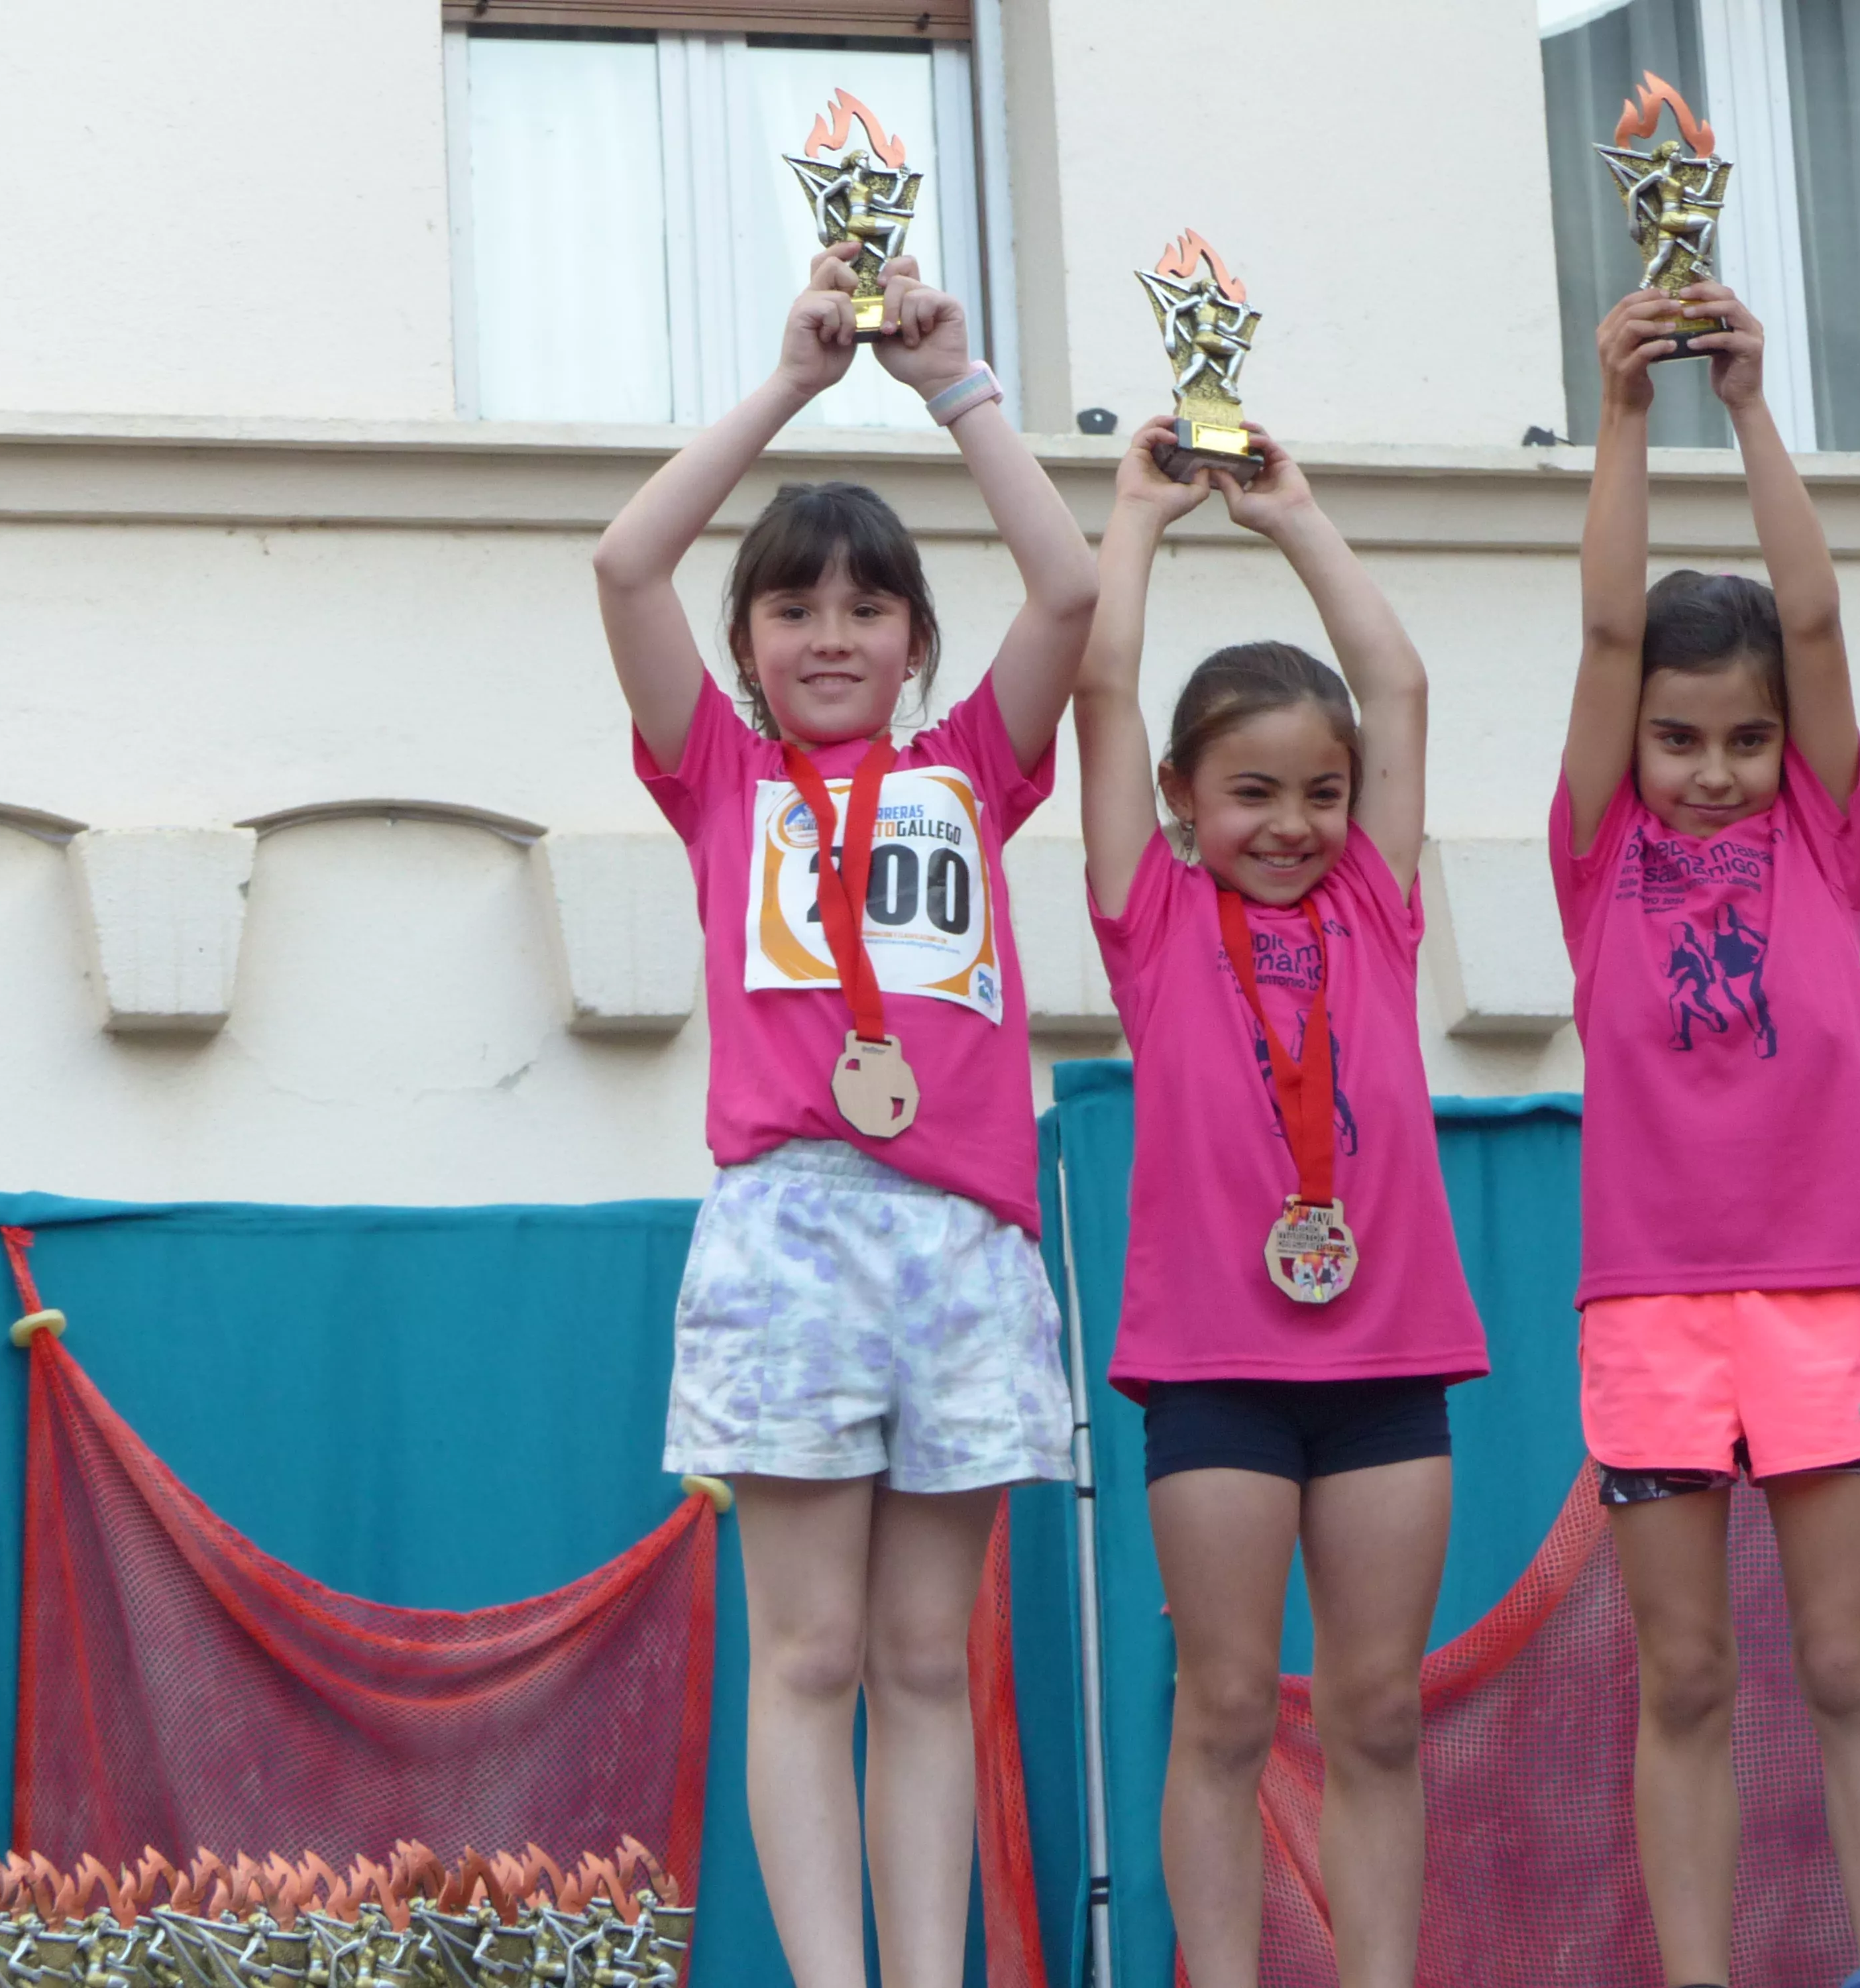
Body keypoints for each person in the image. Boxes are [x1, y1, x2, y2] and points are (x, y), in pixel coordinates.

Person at [590, 241, 1095, 1988]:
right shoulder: (719, 776)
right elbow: (623, 557)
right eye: (793, 609)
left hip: (966, 1237)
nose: (830, 634)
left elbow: (1073, 588)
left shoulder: (970, 765)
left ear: (913, 640)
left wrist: (956, 389)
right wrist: (797, 381)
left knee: (926, 1656)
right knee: (806, 1650)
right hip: (795, 1226)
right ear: (743, 648)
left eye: (865, 608)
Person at [1555, 282, 1860, 1988]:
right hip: (1651, 1304)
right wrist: (1625, 416)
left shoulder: (1818, 839)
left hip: (1816, 1293)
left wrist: (1747, 406)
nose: (1711, 772)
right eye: (1680, 742)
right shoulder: (1591, 856)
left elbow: (1815, 612)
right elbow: (1601, 638)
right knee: (1687, 1671)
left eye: (1745, 742)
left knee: (1848, 1661)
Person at [1075, 417, 1490, 1988]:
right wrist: (1137, 519)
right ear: (1181, 797)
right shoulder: (1154, 918)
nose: (1296, 823)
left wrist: (1297, 516)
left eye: (1322, 791)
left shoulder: (1374, 911)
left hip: (1381, 1360)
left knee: (1378, 1705)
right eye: (1253, 791)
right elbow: (1103, 694)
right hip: (1215, 1366)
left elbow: (1398, 687)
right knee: (1230, 1700)